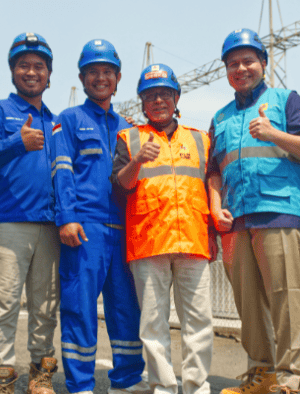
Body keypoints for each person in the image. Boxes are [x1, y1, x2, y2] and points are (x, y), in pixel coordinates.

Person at [207, 28, 300, 394]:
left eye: (248, 61)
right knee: (249, 304)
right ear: (226, 71)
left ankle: (293, 377)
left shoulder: (285, 100)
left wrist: (274, 134)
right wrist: (215, 206)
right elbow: (213, 170)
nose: (241, 68)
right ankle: (261, 374)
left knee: (285, 294)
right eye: (233, 63)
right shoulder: (221, 117)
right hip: (237, 219)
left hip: (278, 212)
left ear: (263, 63)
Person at [50, 39, 149, 394]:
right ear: (82, 77)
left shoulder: (129, 127)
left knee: (126, 309)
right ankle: (80, 386)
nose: (100, 77)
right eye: (93, 72)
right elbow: (61, 170)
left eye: (107, 71)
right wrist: (66, 217)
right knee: (79, 309)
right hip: (85, 228)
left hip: (124, 231)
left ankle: (126, 381)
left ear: (118, 77)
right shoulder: (69, 120)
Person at [112, 64, 216, 394]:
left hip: (193, 241)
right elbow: (122, 184)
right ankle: (162, 388)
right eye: (151, 95)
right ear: (142, 103)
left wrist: (214, 233)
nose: (159, 100)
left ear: (176, 98)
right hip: (148, 244)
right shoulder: (129, 139)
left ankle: (197, 387)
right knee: (153, 324)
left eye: (165, 94)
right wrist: (138, 159)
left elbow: (212, 185)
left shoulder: (201, 140)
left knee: (198, 322)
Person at [0, 32, 60, 394]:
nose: (31, 72)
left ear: (49, 75)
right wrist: (16, 142)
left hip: (50, 226)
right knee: (4, 307)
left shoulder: (56, 121)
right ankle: (1, 381)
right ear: (12, 71)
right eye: (24, 65)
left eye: (39, 66)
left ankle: (40, 377)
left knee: (45, 308)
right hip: (7, 224)